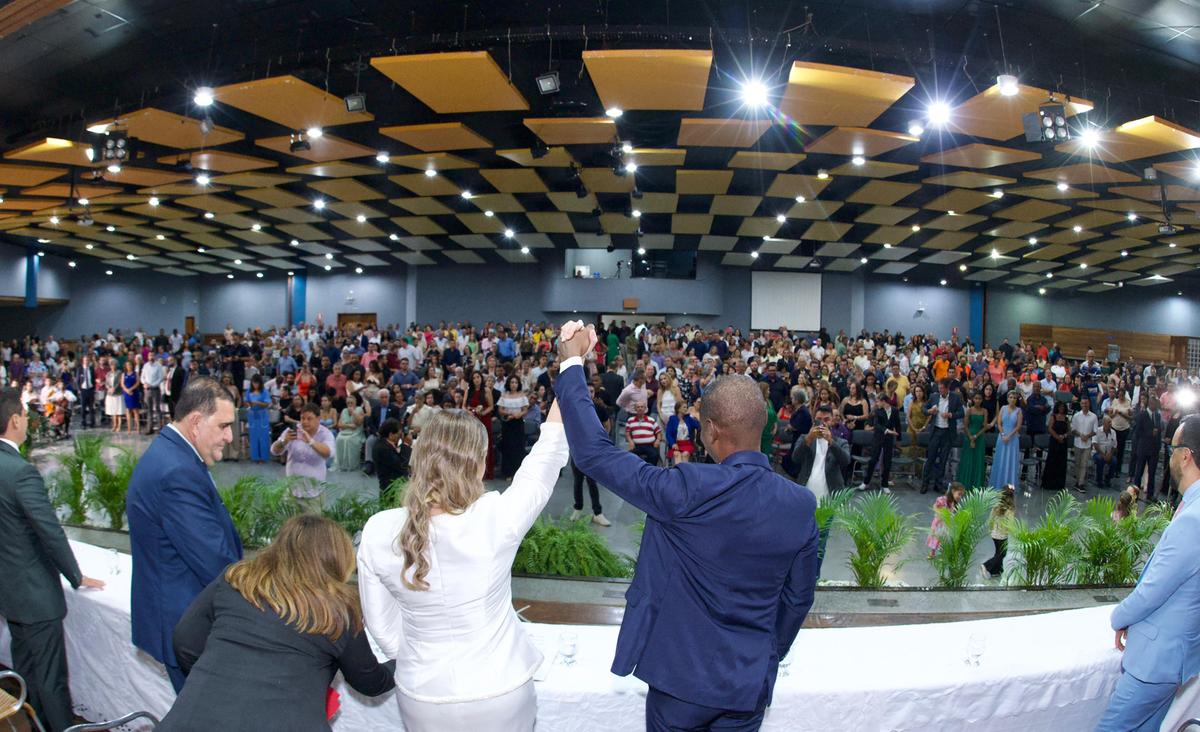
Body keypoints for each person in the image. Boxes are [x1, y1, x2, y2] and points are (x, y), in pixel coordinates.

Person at [553, 321, 818, 732]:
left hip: (679, 681)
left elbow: (593, 453)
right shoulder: (800, 505)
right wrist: (765, 653)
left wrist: (571, 361)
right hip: (746, 685)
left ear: (710, 430)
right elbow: (798, 600)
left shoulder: (687, 487)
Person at [357, 403, 570, 732]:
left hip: (421, 693)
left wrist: (421, 654)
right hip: (499, 688)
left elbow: (382, 628)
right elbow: (545, 460)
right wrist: (573, 364)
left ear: (419, 455)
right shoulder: (497, 517)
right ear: (479, 463)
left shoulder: (378, 530)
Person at [161, 515, 395, 732]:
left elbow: (184, 641)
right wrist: (404, 662)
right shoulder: (338, 608)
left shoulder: (236, 580)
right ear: (336, 560)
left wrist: (223, 678)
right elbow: (370, 681)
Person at [127, 377, 243, 692]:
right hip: (189, 626)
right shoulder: (178, 472)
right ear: (195, 422)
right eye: (223, 426)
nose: (229, 436)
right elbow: (215, 561)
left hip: (180, 616)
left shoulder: (172, 454)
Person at [0, 388, 105, 732]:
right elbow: (49, 530)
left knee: (25, 674)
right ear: (14, 419)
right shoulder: (19, 472)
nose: (28, 421)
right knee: (51, 681)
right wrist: (76, 575)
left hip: (10, 591)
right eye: (25, 415)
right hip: (35, 594)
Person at [1095, 414, 1200, 732]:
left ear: (1186, 456)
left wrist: (1119, 616)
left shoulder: (1193, 518)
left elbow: (1154, 589)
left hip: (1157, 661)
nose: (1168, 456)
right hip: (1172, 659)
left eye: (1172, 448)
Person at [270, 403, 335, 511]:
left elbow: (329, 453)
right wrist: (284, 441)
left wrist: (311, 441)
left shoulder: (325, 434)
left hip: (314, 494)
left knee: (313, 527)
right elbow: (274, 451)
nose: (304, 422)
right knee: (291, 526)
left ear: (318, 419)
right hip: (292, 491)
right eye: (302, 418)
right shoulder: (292, 431)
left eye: (309, 419)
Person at [570, 384, 612, 526]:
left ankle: (597, 512)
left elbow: (607, 424)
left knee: (592, 480)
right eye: (587, 391)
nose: (589, 393)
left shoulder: (599, 407)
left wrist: (602, 440)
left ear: (595, 393)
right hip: (577, 447)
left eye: (592, 391)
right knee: (578, 480)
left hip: (593, 449)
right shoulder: (575, 407)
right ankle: (578, 508)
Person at [922, 379, 965, 494]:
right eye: (939, 388)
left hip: (947, 432)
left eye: (942, 388)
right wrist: (929, 411)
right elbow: (924, 409)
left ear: (947, 389)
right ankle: (925, 483)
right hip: (936, 431)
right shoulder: (933, 396)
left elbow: (962, 412)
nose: (940, 390)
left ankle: (938, 484)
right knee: (930, 458)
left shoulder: (955, 398)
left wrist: (951, 415)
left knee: (943, 460)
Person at [858, 395, 901, 493]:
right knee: (873, 460)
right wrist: (887, 430)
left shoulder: (894, 410)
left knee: (887, 462)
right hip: (878, 438)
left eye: (878, 401)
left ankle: (885, 484)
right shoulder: (877, 412)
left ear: (884, 401)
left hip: (889, 440)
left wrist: (899, 439)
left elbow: (897, 424)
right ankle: (866, 482)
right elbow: (876, 425)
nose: (876, 403)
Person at [988, 389, 1023, 490]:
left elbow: (1018, 426)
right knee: (1000, 459)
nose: (1012, 400)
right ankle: (998, 483)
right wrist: (1003, 434)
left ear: (1016, 400)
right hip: (1002, 437)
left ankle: (1009, 485)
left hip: (1013, 438)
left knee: (1010, 461)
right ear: (1007, 398)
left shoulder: (1019, 411)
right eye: (1011, 397)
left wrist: (1009, 436)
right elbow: (998, 423)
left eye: (1014, 398)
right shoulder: (1003, 408)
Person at [371, 418, 411, 506]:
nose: (400, 437)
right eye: (398, 434)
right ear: (391, 434)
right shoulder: (382, 448)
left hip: (393, 486)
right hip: (391, 488)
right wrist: (406, 445)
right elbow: (402, 465)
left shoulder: (384, 443)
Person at [1130, 396, 1163, 499]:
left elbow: (1159, 429)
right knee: (1139, 471)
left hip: (1154, 450)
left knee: (1152, 473)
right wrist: (1150, 433)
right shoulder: (1142, 415)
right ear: (1150, 404)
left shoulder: (1157, 415)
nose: (1156, 406)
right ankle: (1135, 494)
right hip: (1143, 448)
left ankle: (1150, 494)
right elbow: (1137, 432)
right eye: (1154, 404)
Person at [497, 375, 530, 479]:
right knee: (507, 447)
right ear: (508, 384)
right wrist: (508, 413)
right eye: (512, 382)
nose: (514, 384)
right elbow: (500, 409)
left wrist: (519, 414)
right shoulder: (504, 395)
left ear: (518, 384)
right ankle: (508, 473)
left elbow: (525, 409)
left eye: (515, 382)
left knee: (518, 447)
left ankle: (519, 473)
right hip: (507, 423)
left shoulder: (522, 395)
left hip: (518, 423)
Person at [957, 391, 989, 489]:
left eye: (979, 399)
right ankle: (965, 483)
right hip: (969, 436)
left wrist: (976, 436)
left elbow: (985, 426)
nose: (978, 400)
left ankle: (977, 484)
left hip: (980, 437)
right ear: (973, 399)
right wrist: (971, 437)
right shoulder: (969, 410)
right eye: (976, 398)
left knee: (978, 460)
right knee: (968, 460)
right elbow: (965, 426)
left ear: (982, 400)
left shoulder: (984, 411)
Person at [982, 484, 1015, 579]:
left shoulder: (996, 505)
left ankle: (997, 571)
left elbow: (991, 518)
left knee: (998, 552)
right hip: (1002, 535)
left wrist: (990, 528)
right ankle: (986, 566)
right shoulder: (1010, 509)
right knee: (1002, 554)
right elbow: (1010, 523)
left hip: (994, 534)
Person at [927, 483, 965, 557]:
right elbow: (935, 506)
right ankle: (932, 552)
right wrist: (940, 513)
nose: (960, 497)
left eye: (961, 495)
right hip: (939, 523)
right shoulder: (943, 499)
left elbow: (954, 513)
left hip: (948, 524)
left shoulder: (954, 503)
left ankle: (943, 554)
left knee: (945, 539)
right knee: (936, 537)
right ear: (953, 491)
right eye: (959, 494)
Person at [1070, 397, 1099, 493]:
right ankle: (1078, 481)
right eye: (1083, 403)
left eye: (1086, 403)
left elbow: (1095, 431)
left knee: (1084, 464)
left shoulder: (1094, 416)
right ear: (1080, 404)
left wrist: (1087, 436)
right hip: (1077, 443)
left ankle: (1081, 484)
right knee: (1077, 463)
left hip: (1087, 444)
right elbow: (1073, 429)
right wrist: (1080, 435)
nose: (1084, 405)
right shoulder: (1076, 416)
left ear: (1089, 404)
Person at [334, 393, 367, 472]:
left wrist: (354, 413)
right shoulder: (344, 410)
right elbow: (339, 424)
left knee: (349, 440)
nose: (350, 404)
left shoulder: (359, 409)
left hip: (356, 432)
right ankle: (342, 464)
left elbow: (358, 423)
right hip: (345, 432)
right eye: (348, 403)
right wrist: (349, 426)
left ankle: (351, 465)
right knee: (339, 439)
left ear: (355, 403)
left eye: (351, 403)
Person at [1042, 402, 1071, 491]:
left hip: (1063, 442)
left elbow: (1069, 430)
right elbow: (1050, 428)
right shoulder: (1053, 417)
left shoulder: (1066, 419)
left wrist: (1064, 436)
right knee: (1052, 461)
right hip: (1054, 442)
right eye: (1060, 407)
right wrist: (1057, 437)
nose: (1061, 408)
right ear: (1057, 408)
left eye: (1063, 407)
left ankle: (1059, 484)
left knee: (1061, 462)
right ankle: (1049, 483)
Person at [625, 400, 662, 465]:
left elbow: (658, 432)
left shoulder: (651, 420)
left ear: (645, 409)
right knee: (629, 456)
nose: (640, 408)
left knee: (655, 455)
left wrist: (658, 440)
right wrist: (630, 441)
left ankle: (650, 471)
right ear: (635, 409)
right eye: (638, 407)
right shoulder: (630, 420)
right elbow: (628, 434)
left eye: (642, 407)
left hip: (650, 445)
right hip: (636, 446)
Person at [245, 374, 272, 464]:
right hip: (252, 416)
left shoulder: (264, 391)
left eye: (257, 383)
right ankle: (254, 456)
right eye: (254, 383)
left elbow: (267, 404)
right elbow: (246, 401)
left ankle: (262, 457)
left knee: (263, 437)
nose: (255, 385)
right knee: (253, 437)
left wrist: (257, 402)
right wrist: (248, 404)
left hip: (262, 416)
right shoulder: (249, 391)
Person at [665, 401, 700, 466]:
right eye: (684, 407)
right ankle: (678, 474)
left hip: (687, 444)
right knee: (676, 454)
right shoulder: (672, 419)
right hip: (676, 444)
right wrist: (672, 444)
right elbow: (668, 434)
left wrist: (694, 418)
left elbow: (698, 426)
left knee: (685, 454)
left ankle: (683, 473)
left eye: (686, 407)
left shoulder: (688, 418)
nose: (686, 409)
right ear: (678, 409)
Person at [1092, 416, 1119, 489]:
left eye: (1111, 422)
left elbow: (1114, 446)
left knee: (1114, 461)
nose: (1110, 424)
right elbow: (1095, 444)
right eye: (1109, 422)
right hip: (1098, 453)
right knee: (1100, 460)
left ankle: (1108, 478)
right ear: (1104, 423)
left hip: (1109, 453)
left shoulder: (1113, 432)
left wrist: (1110, 454)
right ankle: (1099, 480)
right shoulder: (1097, 431)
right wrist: (1103, 455)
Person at [73, 354, 96, 429]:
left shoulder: (91, 369)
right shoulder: (80, 369)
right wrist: (79, 389)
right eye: (85, 360)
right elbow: (77, 381)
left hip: (90, 389)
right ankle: (83, 422)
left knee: (91, 407)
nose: (86, 361)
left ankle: (92, 422)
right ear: (83, 361)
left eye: (88, 360)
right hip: (83, 390)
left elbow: (93, 379)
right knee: (83, 407)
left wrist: (94, 388)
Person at [122, 358, 141, 433]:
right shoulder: (124, 374)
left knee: (135, 411)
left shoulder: (135, 373)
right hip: (127, 394)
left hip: (134, 393)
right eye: (127, 365)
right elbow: (122, 384)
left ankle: (138, 428)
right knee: (128, 411)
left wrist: (131, 389)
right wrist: (127, 390)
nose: (129, 366)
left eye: (130, 365)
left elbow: (137, 382)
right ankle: (129, 428)